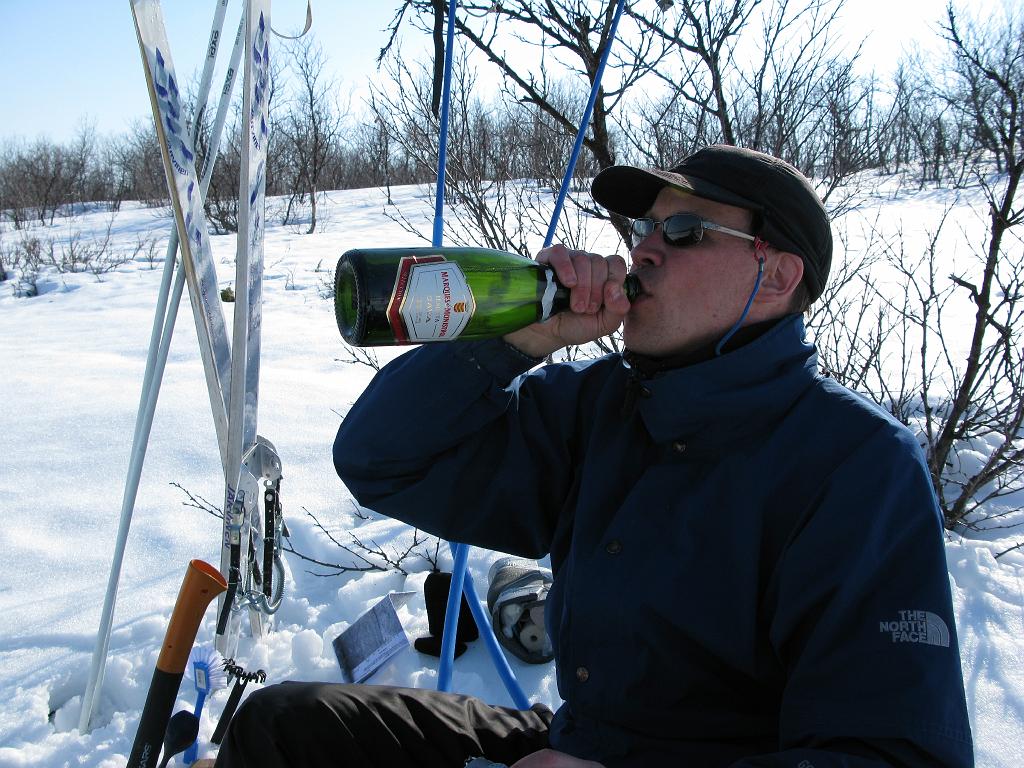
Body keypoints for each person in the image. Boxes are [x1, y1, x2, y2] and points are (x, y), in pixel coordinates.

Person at [215, 145, 974, 767]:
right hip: (573, 741)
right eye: (644, 227)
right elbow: (382, 459)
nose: (643, 248)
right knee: (281, 728)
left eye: (684, 233)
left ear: (776, 276)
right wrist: (516, 343)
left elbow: (891, 757)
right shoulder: (601, 407)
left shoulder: (858, 467)